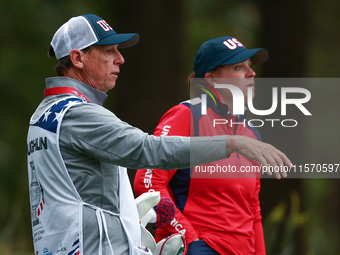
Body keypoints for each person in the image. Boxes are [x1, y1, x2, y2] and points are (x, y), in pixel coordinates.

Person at [27, 13, 290, 255]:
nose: (120, 59)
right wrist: (186, 235)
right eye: (109, 51)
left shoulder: (49, 113)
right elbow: (148, 155)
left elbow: (253, 210)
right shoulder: (79, 114)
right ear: (77, 58)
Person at [134, 36, 283, 255]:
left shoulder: (251, 132)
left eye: (250, 66)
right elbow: (148, 182)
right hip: (200, 247)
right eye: (239, 67)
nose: (251, 73)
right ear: (212, 79)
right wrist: (188, 239)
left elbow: (252, 209)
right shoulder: (186, 116)